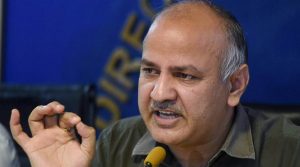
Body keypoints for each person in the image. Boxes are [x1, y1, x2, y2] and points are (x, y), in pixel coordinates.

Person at [9, 0, 300, 167]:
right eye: (149, 71)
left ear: (235, 85)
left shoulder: (290, 152)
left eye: (185, 76)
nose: (159, 93)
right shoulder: (117, 145)